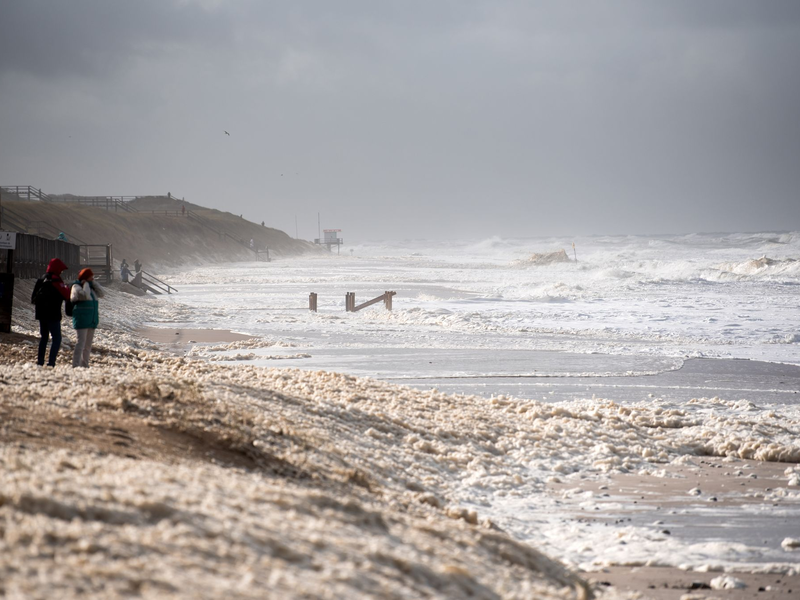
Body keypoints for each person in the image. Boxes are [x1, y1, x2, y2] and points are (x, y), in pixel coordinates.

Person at [31, 258, 71, 367]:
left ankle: (40, 362)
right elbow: (67, 295)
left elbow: (33, 298)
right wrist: (67, 287)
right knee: (56, 338)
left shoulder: (41, 279)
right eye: (61, 270)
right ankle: (51, 363)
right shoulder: (57, 281)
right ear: (57, 269)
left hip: (41, 314)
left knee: (44, 338)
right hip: (53, 314)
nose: (61, 272)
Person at [70, 268, 105, 368]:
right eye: (90, 276)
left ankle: (85, 365)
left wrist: (93, 283)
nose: (92, 278)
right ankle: (75, 365)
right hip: (81, 319)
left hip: (91, 320)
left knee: (88, 346)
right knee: (80, 344)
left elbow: (102, 293)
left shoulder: (92, 288)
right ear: (85, 277)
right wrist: (85, 284)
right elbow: (84, 296)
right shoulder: (76, 287)